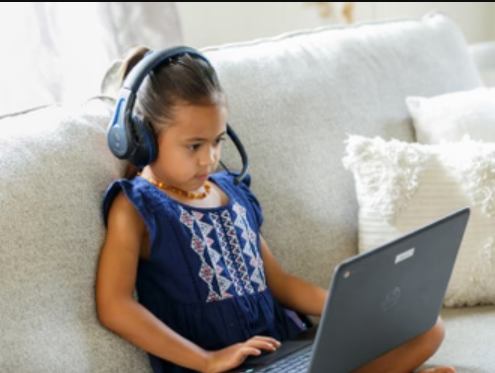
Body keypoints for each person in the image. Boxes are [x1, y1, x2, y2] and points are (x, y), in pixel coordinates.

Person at [95, 45, 456, 373]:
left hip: (280, 353)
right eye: (194, 146)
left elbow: (279, 282)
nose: (210, 158)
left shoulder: (231, 193)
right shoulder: (136, 207)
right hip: (218, 366)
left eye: (217, 141)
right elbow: (114, 305)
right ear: (141, 138)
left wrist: (352, 309)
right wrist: (207, 360)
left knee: (425, 328)